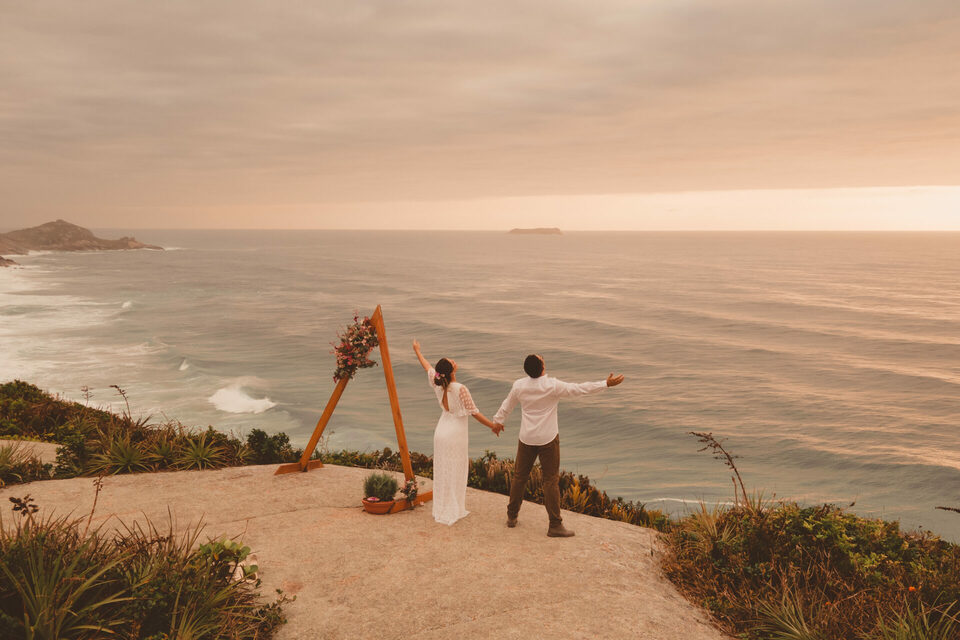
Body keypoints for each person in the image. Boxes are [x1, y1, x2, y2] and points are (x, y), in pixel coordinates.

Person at [493, 354, 624, 537]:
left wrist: (498, 421)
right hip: (548, 439)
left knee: (519, 478)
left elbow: (507, 405)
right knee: (550, 481)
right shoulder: (552, 385)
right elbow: (579, 389)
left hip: (527, 438)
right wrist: (605, 384)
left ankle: (512, 516)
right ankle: (554, 524)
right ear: (543, 368)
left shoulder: (519, 386)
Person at [413, 339, 503, 525]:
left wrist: (417, 351)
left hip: (441, 431)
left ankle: (442, 507)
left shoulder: (437, 382)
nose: (454, 361)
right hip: (455, 434)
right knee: (455, 470)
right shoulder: (461, 389)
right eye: (452, 361)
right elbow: (475, 413)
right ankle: (453, 508)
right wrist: (493, 426)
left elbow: (427, 367)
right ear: (451, 371)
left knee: (443, 470)